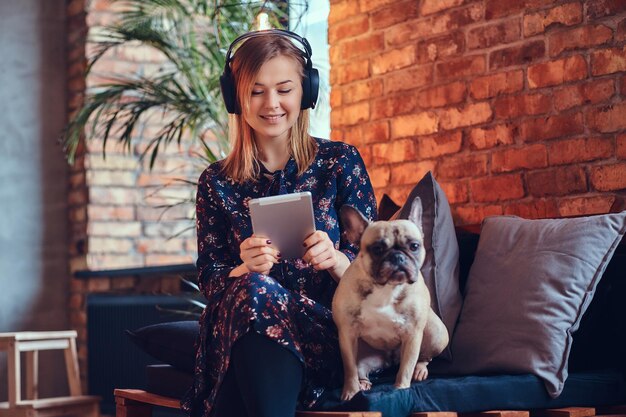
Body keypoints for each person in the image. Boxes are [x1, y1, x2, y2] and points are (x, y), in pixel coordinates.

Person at [182, 29, 377, 417]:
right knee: (252, 290)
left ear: (305, 93)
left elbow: (376, 277)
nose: (271, 104)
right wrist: (243, 268)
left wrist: (338, 261)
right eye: (256, 91)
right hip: (245, 321)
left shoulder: (339, 162)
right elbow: (210, 277)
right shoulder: (215, 182)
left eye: (284, 89)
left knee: (252, 302)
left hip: (324, 334)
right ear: (236, 98)